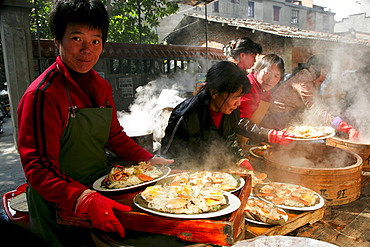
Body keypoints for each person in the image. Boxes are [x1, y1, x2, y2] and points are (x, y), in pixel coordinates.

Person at [17, 0, 173, 246]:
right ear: (58, 40)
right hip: (57, 201)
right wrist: (82, 198)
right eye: (76, 38)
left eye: (95, 41)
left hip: (99, 188)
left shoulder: (101, 87)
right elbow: (38, 167)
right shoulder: (43, 95)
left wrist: (147, 159)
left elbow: (113, 135)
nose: (87, 49)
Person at [161, 61, 253, 170]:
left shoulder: (231, 111)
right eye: (235, 97)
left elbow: (229, 137)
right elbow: (168, 157)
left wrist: (240, 159)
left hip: (217, 172)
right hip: (191, 176)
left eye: (240, 97)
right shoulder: (185, 116)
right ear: (214, 93)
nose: (238, 103)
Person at [260, 54, 359, 141]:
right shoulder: (304, 79)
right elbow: (315, 109)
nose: (324, 77)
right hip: (276, 121)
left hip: (284, 119)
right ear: (312, 68)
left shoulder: (308, 79)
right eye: (323, 72)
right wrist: (345, 127)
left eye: (326, 74)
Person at [238, 54, 294, 145]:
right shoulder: (247, 87)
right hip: (236, 142)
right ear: (258, 69)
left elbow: (262, 118)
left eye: (276, 76)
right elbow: (240, 123)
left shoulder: (265, 91)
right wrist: (270, 134)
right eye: (268, 73)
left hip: (249, 138)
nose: (270, 79)